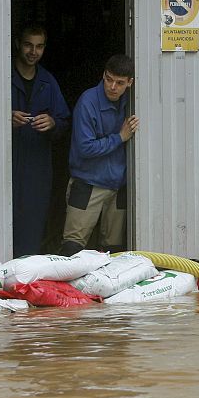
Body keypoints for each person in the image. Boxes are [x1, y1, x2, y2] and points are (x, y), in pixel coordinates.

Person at [61, 54, 139, 252]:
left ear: (130, 82)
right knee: (72, 248)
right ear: (103, 75)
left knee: (113, 251)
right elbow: (85, 147)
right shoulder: (88, 102)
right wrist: (120, 137)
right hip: (87, 184)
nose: (112, 87)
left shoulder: (133, 101)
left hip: (118, 186)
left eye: (119, 83)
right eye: (109, 79)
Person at [11, 25, 71, 258]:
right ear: (18, 44)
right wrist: (5, 118)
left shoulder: (47, 81)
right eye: (28, 45)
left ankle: (25, 276)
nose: (33, 51)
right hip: (7, 162)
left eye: (39, 46)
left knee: (33, 223)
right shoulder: (4, 75)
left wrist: (53, 123)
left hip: (37, 167)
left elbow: (65, 121)